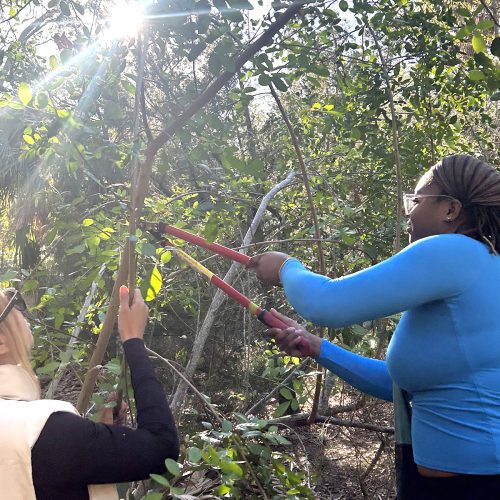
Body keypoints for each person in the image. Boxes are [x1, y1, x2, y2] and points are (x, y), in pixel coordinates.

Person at [247, 154, 500, 500]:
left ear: (450, 210)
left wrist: (286, 267)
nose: (408, 212)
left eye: (416, 200)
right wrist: (315, 346)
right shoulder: (484, 264)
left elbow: (326, 303)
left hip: (476, 485)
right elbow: (399, 386)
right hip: (461, 480)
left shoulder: (453, 252)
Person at [0, 284, 179, 500]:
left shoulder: (41, 431)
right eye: (12, 304)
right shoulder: (41, 429)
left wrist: (101, 433)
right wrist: (133, 341)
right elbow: (162, 447)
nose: (21, 309)